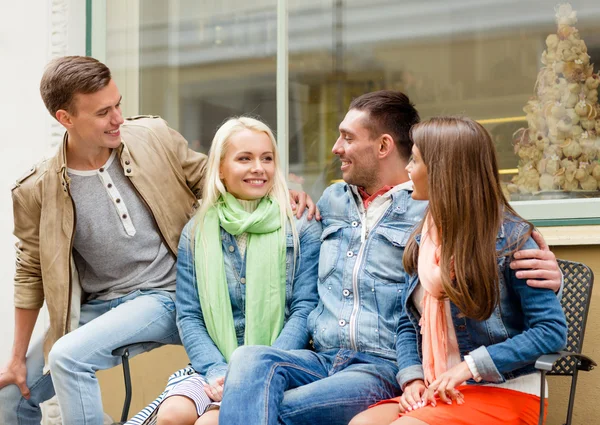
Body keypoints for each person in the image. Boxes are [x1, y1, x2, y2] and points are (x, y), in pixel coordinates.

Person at [0, 56, 316, 425]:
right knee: (11, 392)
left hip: (165, 295)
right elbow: (29, 274)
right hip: (97, 308)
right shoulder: (36, 189)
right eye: (103, 112)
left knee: (68, 356)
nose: (118, 118)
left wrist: (284, 193)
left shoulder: (154, 137)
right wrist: (17, 357)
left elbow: (215, 176)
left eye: (117, 104)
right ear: (65, 119)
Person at [217, 91, 564, 425]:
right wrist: (280, 195)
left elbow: (538, 320)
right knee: (247, 361)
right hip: (335, 361)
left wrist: (553, 280)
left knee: (255, 409)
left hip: (392, 369)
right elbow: (409, 319)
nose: (336, 148)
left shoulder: (444, 219)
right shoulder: (417, 232)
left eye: (347, 138)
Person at [350, 116, 567, 425]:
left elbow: (551, 333)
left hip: (506, 390)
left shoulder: (512, 242)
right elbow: (409, 323)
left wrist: (469, 366)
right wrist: (412, 378)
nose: (408, 168)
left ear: (443, 172)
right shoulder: (425, 240)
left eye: (415, 159)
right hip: (441, 387)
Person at [126, 117, 321, 425]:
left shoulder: (300, 226)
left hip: (281, 362)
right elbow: (189, 315)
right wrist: (217, 370)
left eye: (266, 158)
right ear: (219, 168)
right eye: (244, 158)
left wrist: (256, 366)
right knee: (171, 415)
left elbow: (304, 310)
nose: (259, 168)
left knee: (208, 423)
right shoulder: (197, 231)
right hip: (214, 365)